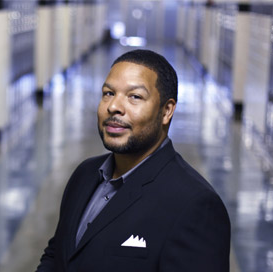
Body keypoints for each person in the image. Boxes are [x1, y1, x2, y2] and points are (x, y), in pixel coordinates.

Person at [37, 49, 231, 271]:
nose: (114, 107)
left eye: (135, 97)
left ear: (167, 111)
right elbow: (57, 254)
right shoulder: (85, 174)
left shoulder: (195, 205)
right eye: (108, 93)